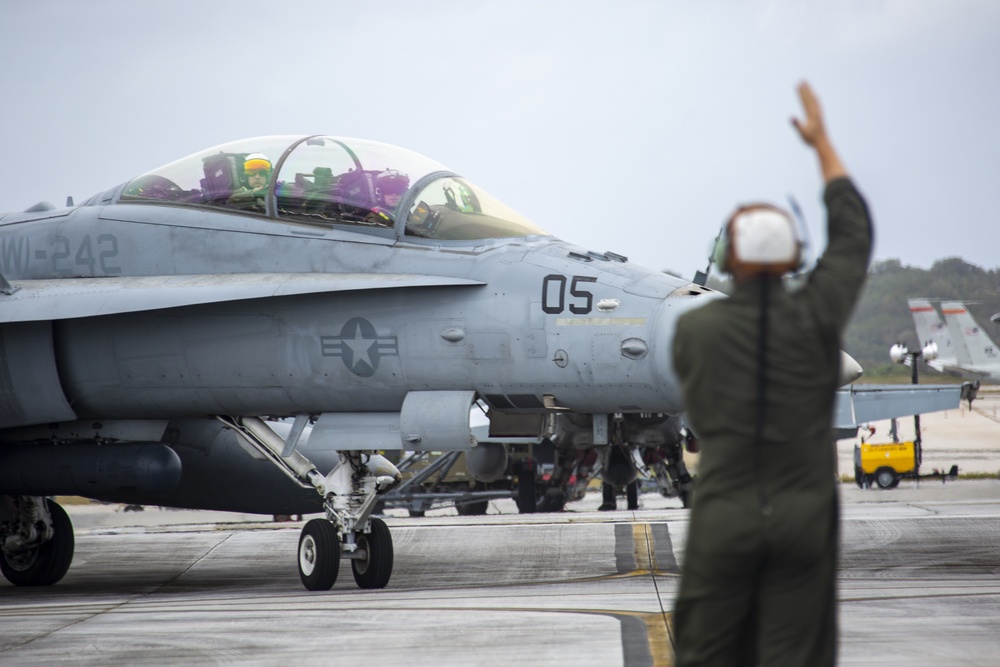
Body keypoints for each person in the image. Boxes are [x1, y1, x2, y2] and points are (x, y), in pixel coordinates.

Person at [671, 82, 872, 666]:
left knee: (705, 653)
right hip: (804, 518)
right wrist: (823, 146)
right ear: (793, 256)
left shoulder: (692, 332)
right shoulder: (817, 318)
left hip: (725, 513)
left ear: (730, 259)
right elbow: (854, 237)